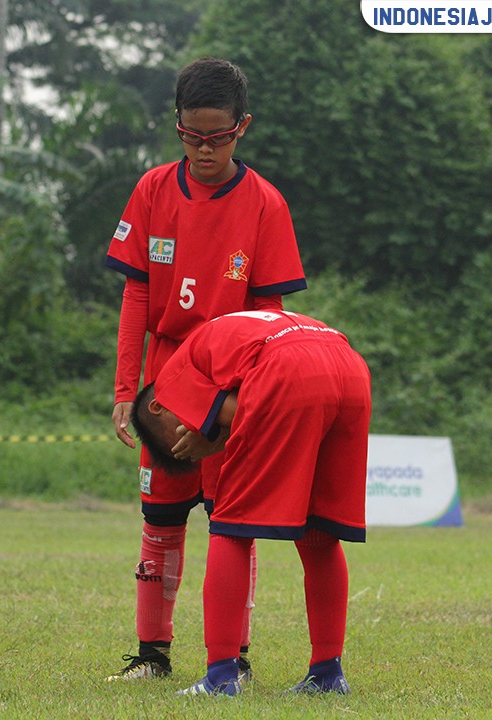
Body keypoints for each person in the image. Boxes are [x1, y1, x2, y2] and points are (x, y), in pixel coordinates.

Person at [105, 57, 307, 681]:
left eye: (217, 137)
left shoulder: (266, 204)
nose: (203, 149)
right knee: (159, 522)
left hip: (229, 389)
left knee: (231, 526)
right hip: (165, 386)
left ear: (242, 127)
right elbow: (136, 296)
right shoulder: (151, 189)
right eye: (191, 135)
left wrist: (232, 408)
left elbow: (267, 323)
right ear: (178, 125)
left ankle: (233, 659)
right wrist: (123, 391)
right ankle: (151, 656)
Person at [130, 310, 372, 697]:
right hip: (349, 367)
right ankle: (327, 673)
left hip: (290, 370)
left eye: (179, 438)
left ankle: (221, 676)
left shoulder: (172, 377)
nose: (188, 438)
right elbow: (257, 403)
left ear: (158, 408)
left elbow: (248, 410)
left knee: (230, 525)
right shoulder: (232, 332)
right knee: (319, 531)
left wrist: (212, 438)